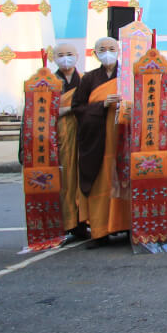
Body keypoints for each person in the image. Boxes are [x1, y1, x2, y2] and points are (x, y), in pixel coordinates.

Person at [73, 37, 127, 242]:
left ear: (119, 51)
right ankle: (100, 230)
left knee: (123, 179)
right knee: (100, 183)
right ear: (95, 53)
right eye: (102, 49)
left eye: (111, 48)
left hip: (122, 136)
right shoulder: (88, 79)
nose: (107, 52)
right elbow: (77, 108)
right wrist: (102, 104)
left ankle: (125, 226)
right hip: (98, 139)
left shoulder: (127, 75)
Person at [51, 43, 87, 240]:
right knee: (64, 180)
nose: (65, 58)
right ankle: (65, 222)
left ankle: (82, 221)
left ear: (77, 56)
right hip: (60, 136)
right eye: (61, 55)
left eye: (69, 54)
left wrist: (71, 110)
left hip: (82, 133)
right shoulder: (46, 82)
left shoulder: (85, 80)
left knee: (82, 177)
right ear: (53, 58)